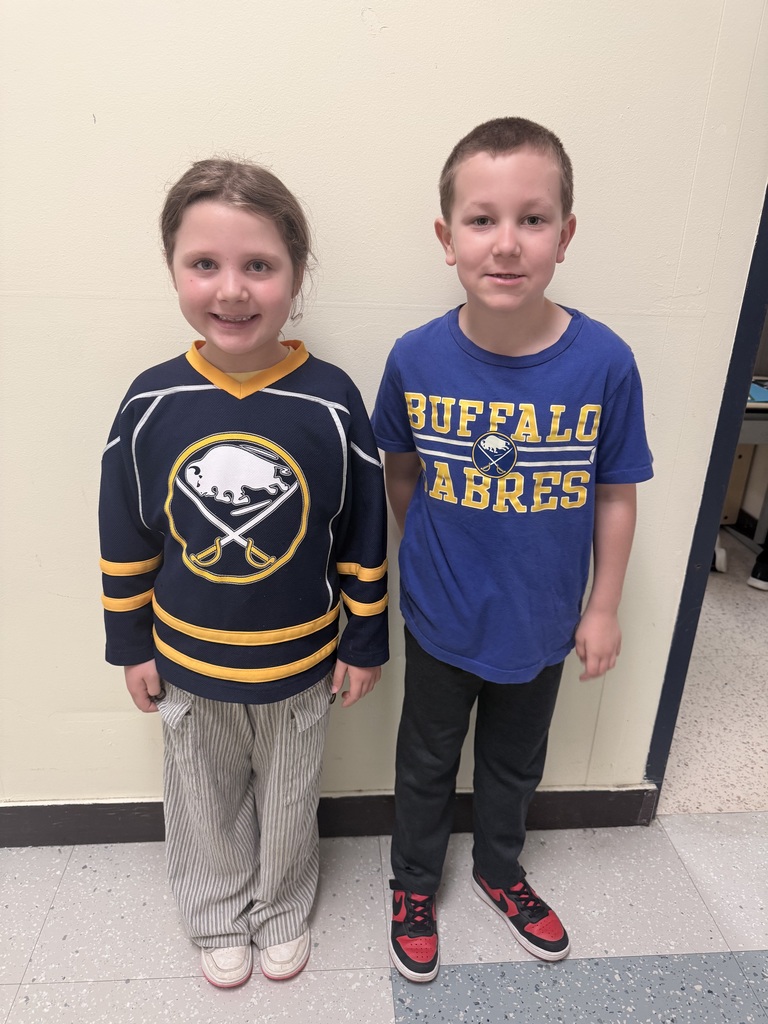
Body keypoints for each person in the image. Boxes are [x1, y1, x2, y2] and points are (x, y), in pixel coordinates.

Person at [372, 117, 653, 982]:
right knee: (425, 760)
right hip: (441, 614)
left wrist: (602, 608)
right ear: (445, 236)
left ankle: (499, 870)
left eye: (532, 219)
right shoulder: (416, 358)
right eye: (481, 219)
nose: (506, 243)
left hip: (541, 622)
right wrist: (425, 562)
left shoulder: (604, 362)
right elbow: (402, 473)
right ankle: (413, 883)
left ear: (565, 236)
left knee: (513, 762)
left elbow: (615, 490)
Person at [99, 159, 388, 989]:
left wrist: (363, 640)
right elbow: (125, 531)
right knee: (202, 799)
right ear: (175, 270)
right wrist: (131, 644)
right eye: (205, 265)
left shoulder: (332, 402)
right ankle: (215, 912)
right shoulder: (150, 405)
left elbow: (362, 531)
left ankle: (283, 906)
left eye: (258, 266)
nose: (232, 290)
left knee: (292, 798)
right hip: (188, 660)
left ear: (296, 275)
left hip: (302, 663)